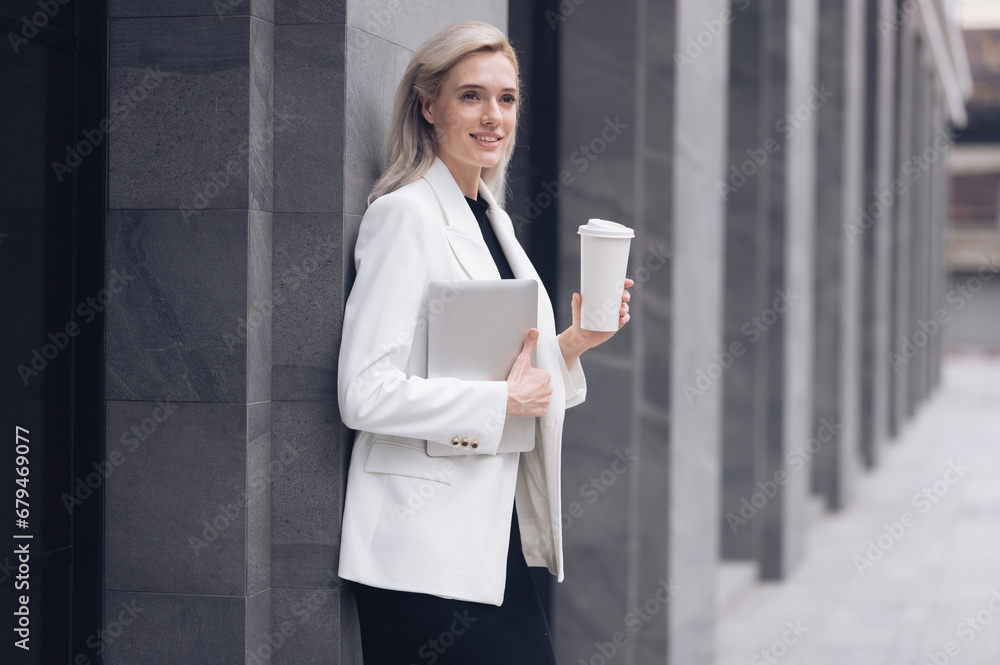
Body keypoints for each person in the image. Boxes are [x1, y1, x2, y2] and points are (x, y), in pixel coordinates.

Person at [337, 20, 633, 664]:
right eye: (471, 95)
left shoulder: (492, 219)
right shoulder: (404, 217)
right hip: (419, 549)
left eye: (506, 98)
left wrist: (575, 342)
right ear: (428, 105)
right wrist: (497, 405)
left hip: (481, 536)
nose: (492, 115)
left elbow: (500, 365)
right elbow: (363, 394)